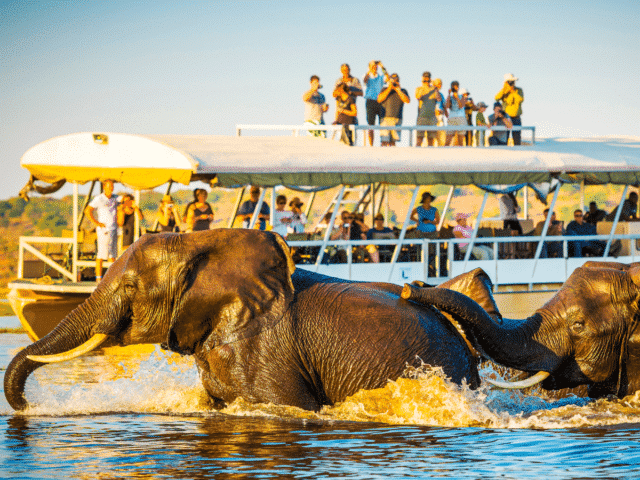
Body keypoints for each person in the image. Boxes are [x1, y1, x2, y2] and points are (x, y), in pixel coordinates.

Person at [86, 179, 118, 282]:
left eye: (112, 187)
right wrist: (97, 223)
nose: (110, 189)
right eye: (108, 187)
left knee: (112, 254)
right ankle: (98, 279)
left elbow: (126, 201)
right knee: (101, 254)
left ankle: (113, 277)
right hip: (104, 230)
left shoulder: (115, 198)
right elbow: (88, 210)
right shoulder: (99, 198)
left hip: (113, 230)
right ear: (104, 187)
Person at [377, 73, 410, 147]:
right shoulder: (384, 89)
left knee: (393, 142)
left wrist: (398, 90)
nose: (395, 82)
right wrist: (389, 88)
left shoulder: (403, 90)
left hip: (397, 119)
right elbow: (379, 99)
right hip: (385, 118)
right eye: (393, 81)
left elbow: (407, 101)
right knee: (384, 141)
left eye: (396, 80)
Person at [362, 60, 388, 146]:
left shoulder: (381, 77)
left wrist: (382, 67)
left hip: (380, 102)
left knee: (382, 123)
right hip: (370, 102)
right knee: (371, 124)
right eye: (372, 66)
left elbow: (388, 78)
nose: (374, 67)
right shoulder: (367, 76)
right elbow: (365, 80)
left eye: (375, 66)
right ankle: (371, 144)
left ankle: (382, 143)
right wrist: (370, 69)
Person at [495, 73, 524, 145]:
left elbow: (520, 99)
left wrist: (513, 91)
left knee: (517, 138)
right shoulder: (504, 91)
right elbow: (496, 98)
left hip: (516, 117)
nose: (512, 83)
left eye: (513, 81)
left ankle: (518, 153)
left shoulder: (519, 90)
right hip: (506, 118)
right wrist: (505, 89)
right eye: (510, 82)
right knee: (504, 138)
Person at [415, 71, 441, 147]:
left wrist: (435, 88)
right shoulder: (419, 88)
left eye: (428, 78)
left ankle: (430, 156)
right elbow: (418, 97)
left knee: (431, 140)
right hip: (421, 117)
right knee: (419, 139)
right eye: (425, 78)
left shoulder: (434, 89)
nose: (426, 80)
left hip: (432, 118)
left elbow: (439, 99)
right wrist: (424, 85)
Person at [445, 81, 467, 146]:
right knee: (448, 139)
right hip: (451, 118)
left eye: (456, 86)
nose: (455, 88)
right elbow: (447, 106)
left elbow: (461, 106)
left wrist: (457, 98)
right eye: (453, 87)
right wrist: (449, 95)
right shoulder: (450, 97)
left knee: (460, 141)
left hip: (461, 118)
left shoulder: (462, 97)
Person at [432, 78, 447, 146]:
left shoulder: (441, 95)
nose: (440, 85)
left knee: (441, 138)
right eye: (438, 83)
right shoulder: (430, 93)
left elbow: (444, 106)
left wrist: (442, 112)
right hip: (431, 117)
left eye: (441, 84)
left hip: (440, 118)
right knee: (431, 138)